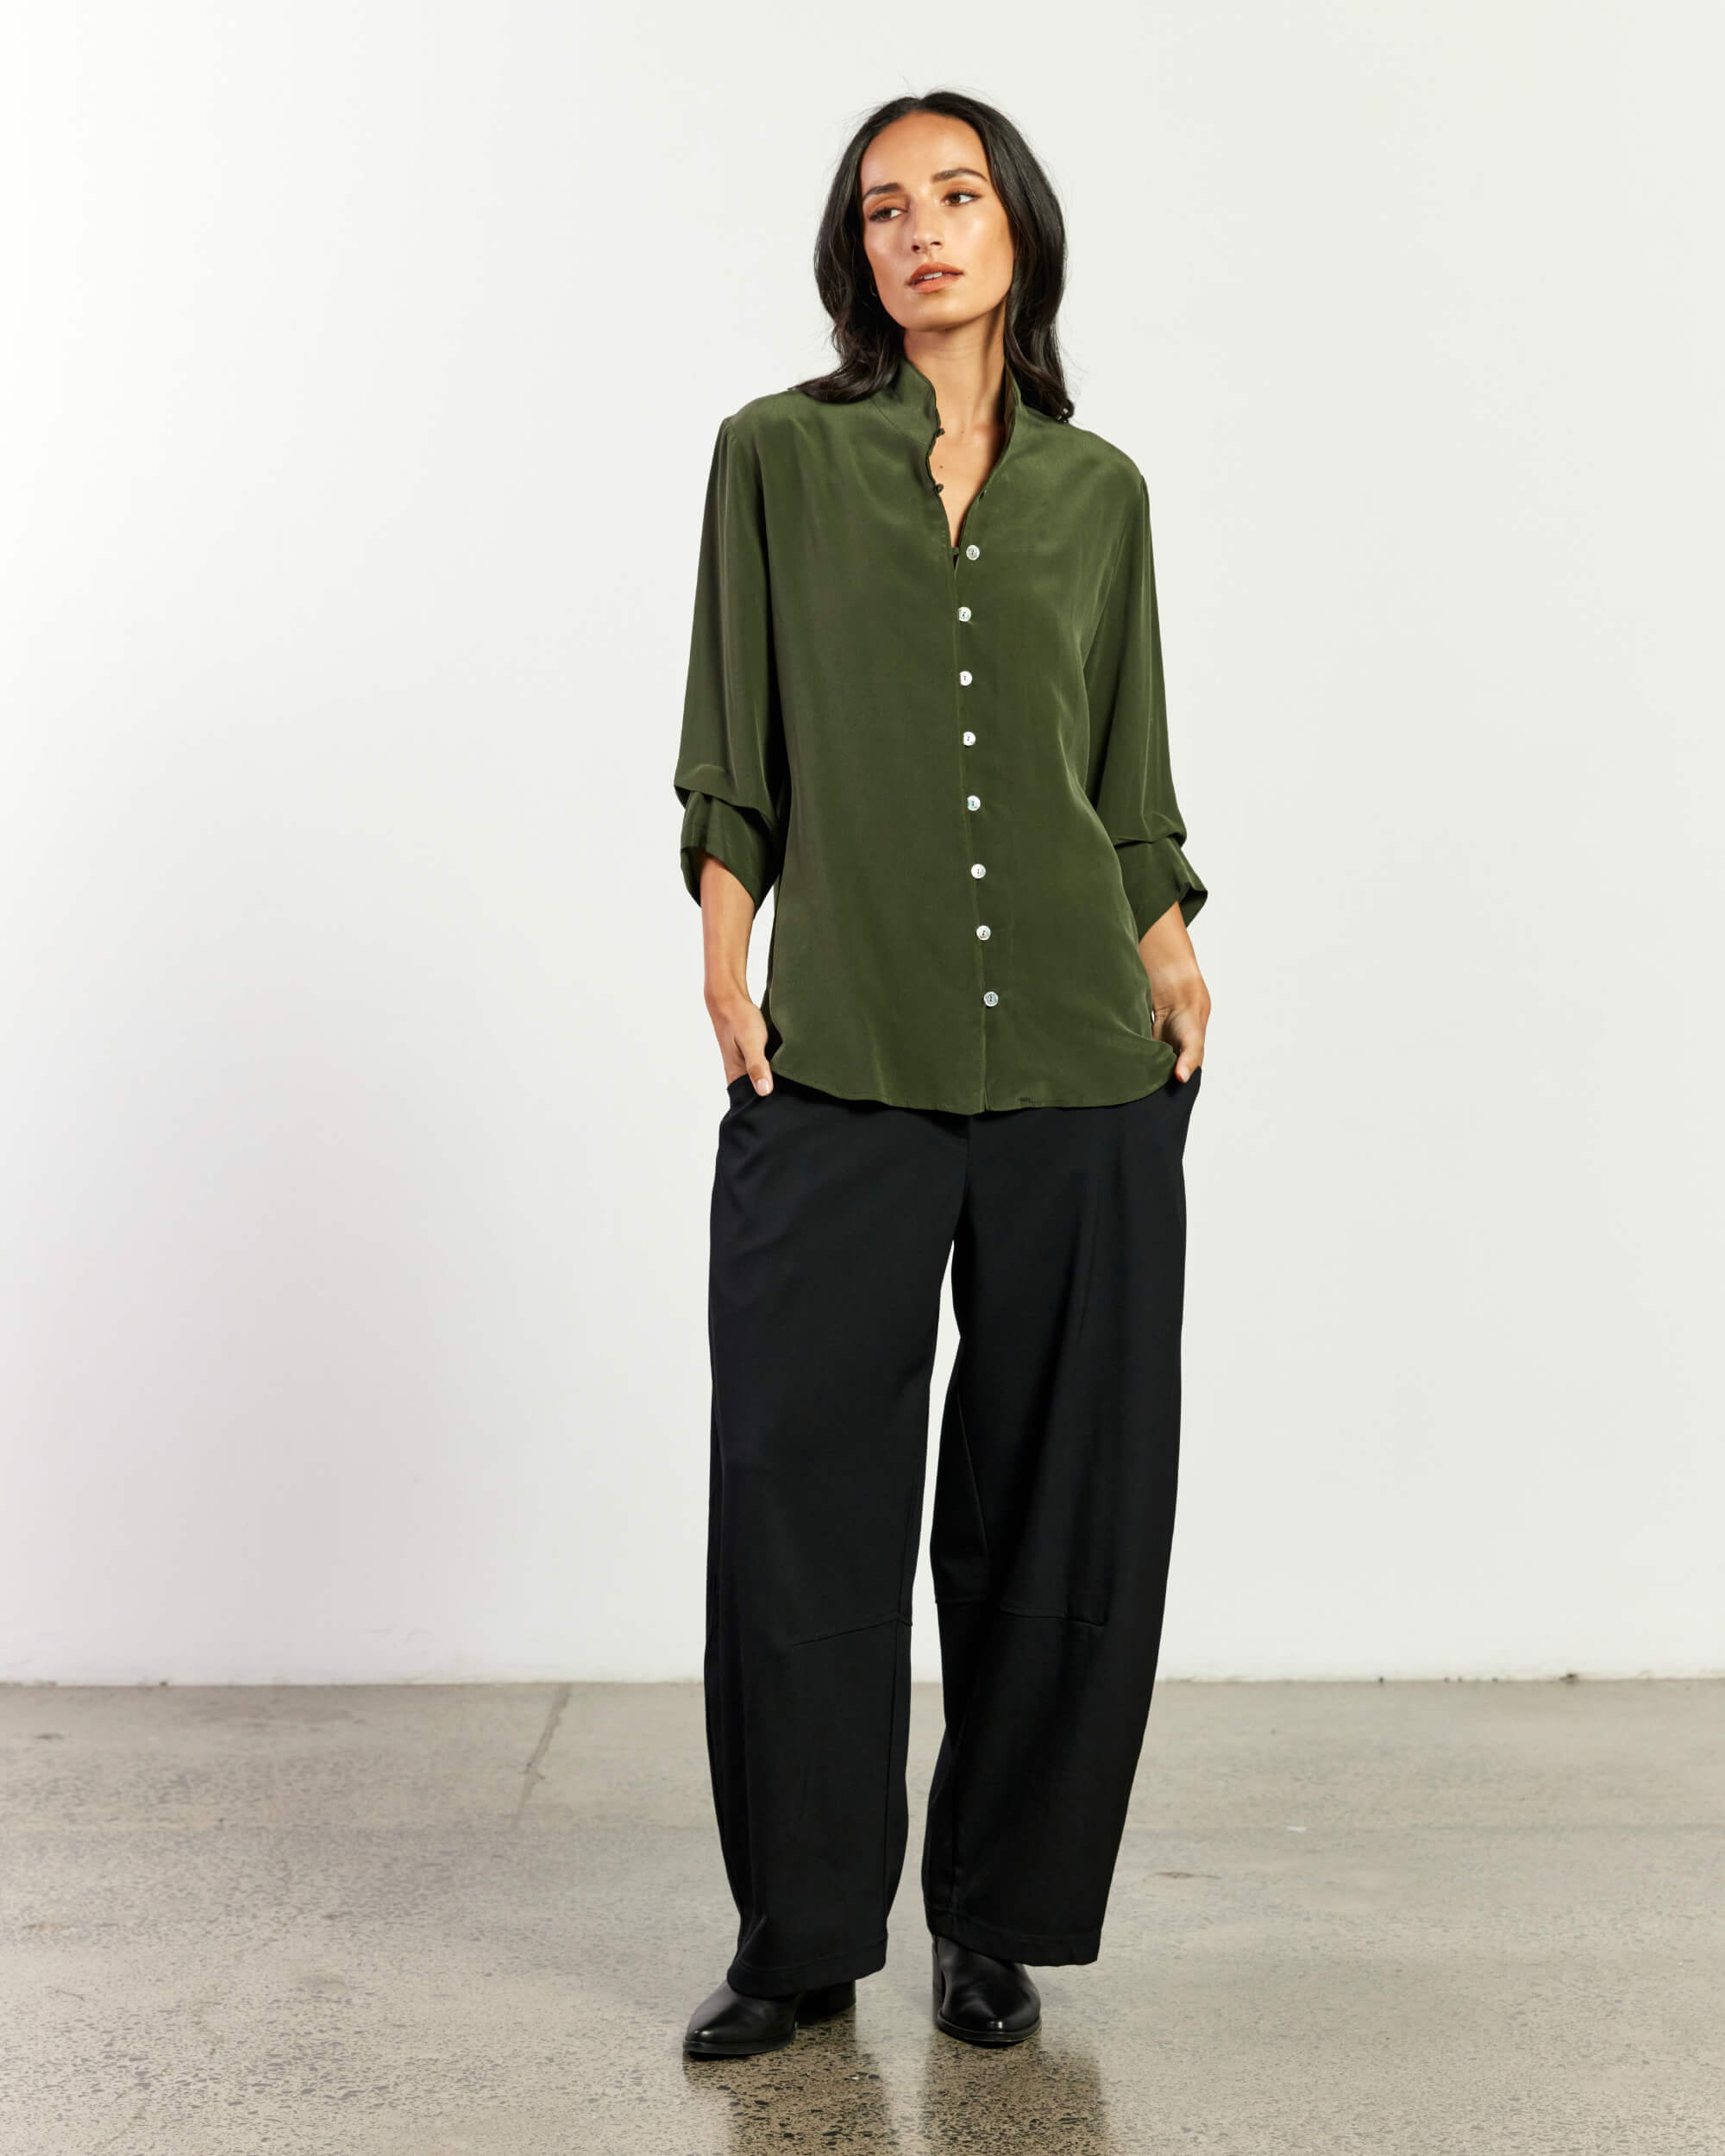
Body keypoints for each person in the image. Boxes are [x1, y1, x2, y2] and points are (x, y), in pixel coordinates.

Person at [672, 89, 1211, 2059]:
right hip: (845, 1055)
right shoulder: (776, 460)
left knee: (1059, 1512)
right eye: (884, 208)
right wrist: (724, 951)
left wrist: (1169, 946)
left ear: (1017, 230)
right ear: (857, 254)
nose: (920, 232)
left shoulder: (1101, 494)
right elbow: (734, 746)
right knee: (798, 1500)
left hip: (1081, 1060)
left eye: (955, 196)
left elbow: (1125, 779)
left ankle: (997, 1920)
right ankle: (802, 1933)